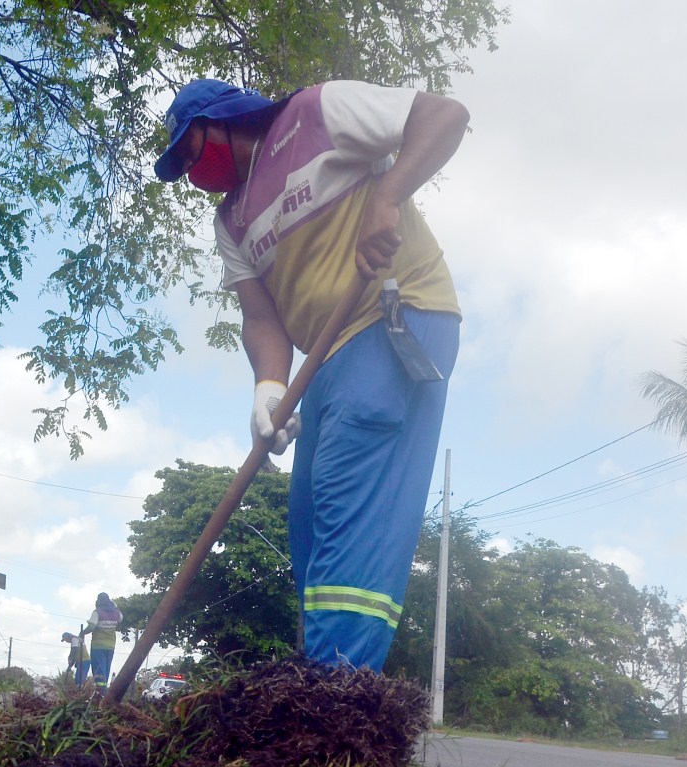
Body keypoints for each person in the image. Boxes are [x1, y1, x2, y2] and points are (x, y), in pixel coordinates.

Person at [153, 78, 468, 672]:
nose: (194, 171)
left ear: (223, 120)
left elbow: (444, 116)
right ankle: (319, 675)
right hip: (326, 359)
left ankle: (338, 699)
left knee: (350, 506)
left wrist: (387, 195)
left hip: (394, 319)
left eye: (192, 149)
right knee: (309, 522)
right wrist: (268, 392)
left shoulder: (314, 112)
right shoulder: (233, 219)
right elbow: (261, 317)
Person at [81, 592, 122, 687]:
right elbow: (120, 618)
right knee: (106, 669)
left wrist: (82, 633)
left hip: (98, 646)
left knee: (99, 670)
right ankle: (103, 691)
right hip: (111, 646)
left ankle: (100, 692)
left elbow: (91, 627)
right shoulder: (116, 613)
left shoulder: (97, 612)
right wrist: (115, 605)